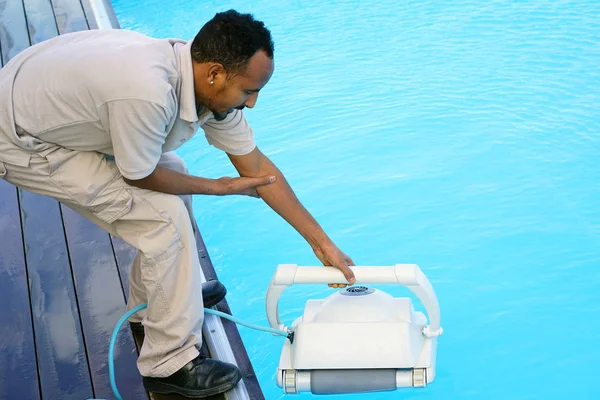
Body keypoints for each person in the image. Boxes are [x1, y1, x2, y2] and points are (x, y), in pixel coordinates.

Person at [0, 9, 356, 398]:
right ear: (215, 73)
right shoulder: (147, 91)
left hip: (51, 106)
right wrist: (217, 187)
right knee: (163, 219)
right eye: (249, 91)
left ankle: (160, 302)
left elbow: (257, 168)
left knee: (175, 176)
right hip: (21, 137)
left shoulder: (207, 87)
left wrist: (321, 243)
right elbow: (138, 175)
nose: (252, 103)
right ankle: (167, 363)